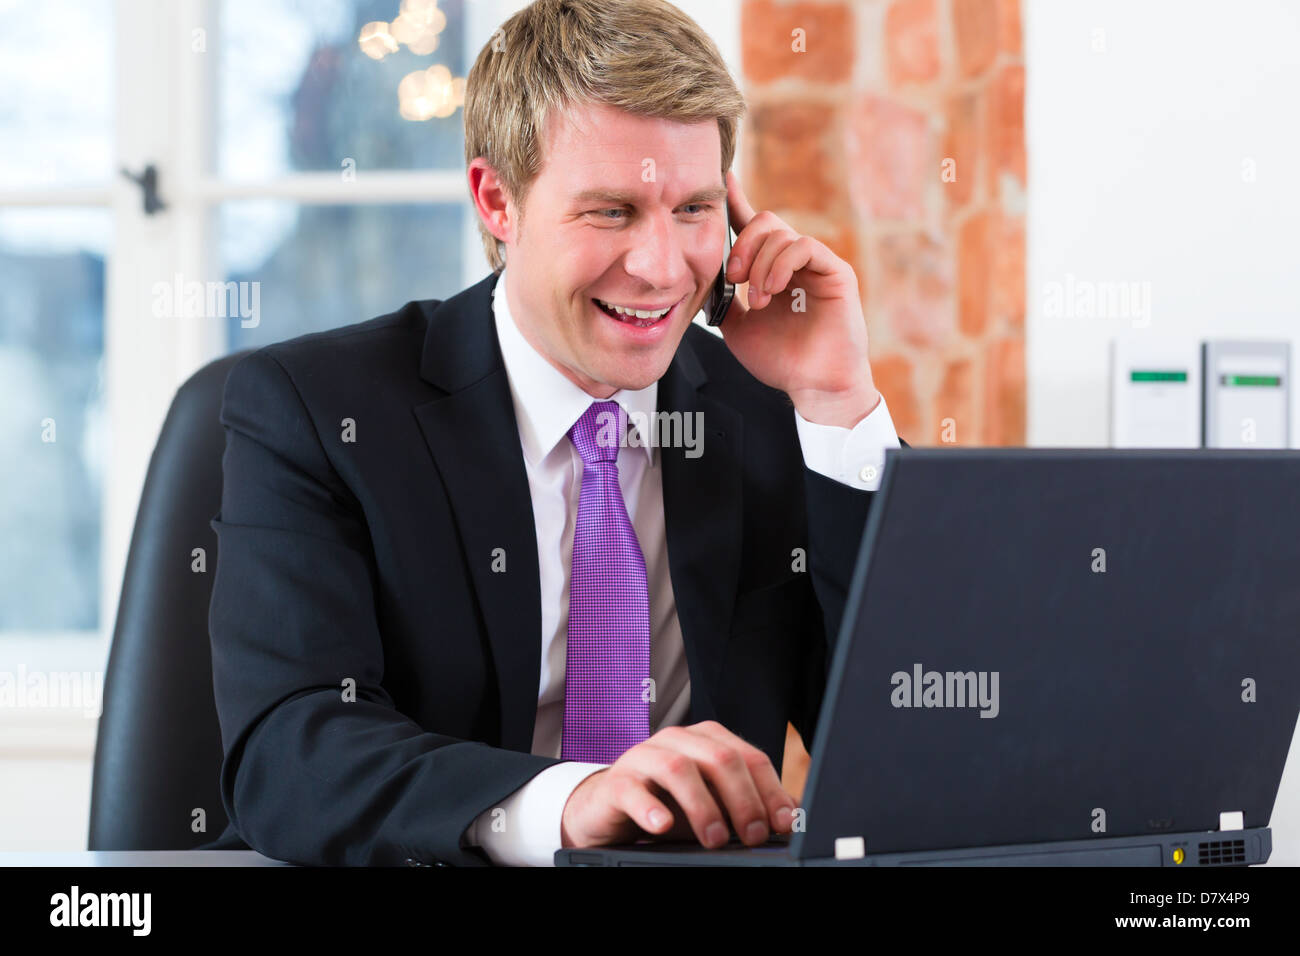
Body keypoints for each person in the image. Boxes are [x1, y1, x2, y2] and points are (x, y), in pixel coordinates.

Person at [204, 0, 905, 866]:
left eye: (693, 210)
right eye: (611, 212)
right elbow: (289, 754)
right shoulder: (317, 412)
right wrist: (569, 802)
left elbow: (923, 731)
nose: (660, 267)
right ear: (497, 199)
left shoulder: (767, 410)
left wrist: (838, 404)